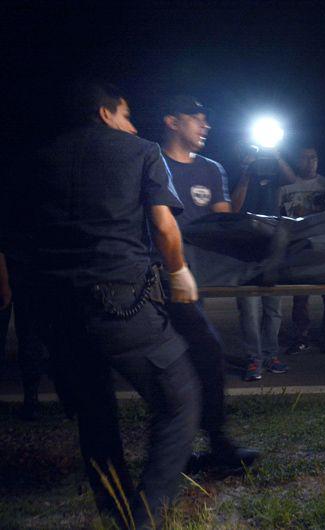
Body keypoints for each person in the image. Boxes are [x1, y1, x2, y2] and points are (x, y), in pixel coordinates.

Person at [1, 81, 201, 527]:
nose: (132, 126)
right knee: (179, 400)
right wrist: (178, 271)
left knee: (95, 413)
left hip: (57, 311)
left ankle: (114, 509)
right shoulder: (142, 152)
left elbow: (15, 238)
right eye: (126, 115)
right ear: (105, 113)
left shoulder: (35, 159)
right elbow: (165, 227)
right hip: (121, 303)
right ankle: (147, 516)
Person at [160, 95, 259, 471]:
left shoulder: (212, 169)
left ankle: (188, 450)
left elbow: (224, 223)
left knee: (190, 363)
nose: (206, 126)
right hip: (158, 282)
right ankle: (216, 445)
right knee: (200, 356)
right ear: (172, 121)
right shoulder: (152, 162)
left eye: (207, 120)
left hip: (195, 287)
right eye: (196, 118)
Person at [231, 143, 298, 380]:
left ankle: (271, 355)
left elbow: (292, 179)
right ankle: (254, 360)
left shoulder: (274, 173)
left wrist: (276, 153)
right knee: (249, 311)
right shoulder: (238, 174)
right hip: (245, 250)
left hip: (273, 248)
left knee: (273, 308)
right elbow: (234, 207)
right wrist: (246, 172)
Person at [278, 146, 325, 355]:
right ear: (297, 161)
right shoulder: (286, 187)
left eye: (313, 157)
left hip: (323, 246)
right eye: (305, 158)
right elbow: (277, 216)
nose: (310, 162)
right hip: (298, 246)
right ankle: (300, 336)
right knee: (300, 297)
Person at [0, 252, 48, 420]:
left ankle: (31, 401)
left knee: (30, 339)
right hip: (27, 271)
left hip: (24, 271)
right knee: (30, 338)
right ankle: (31, 401)